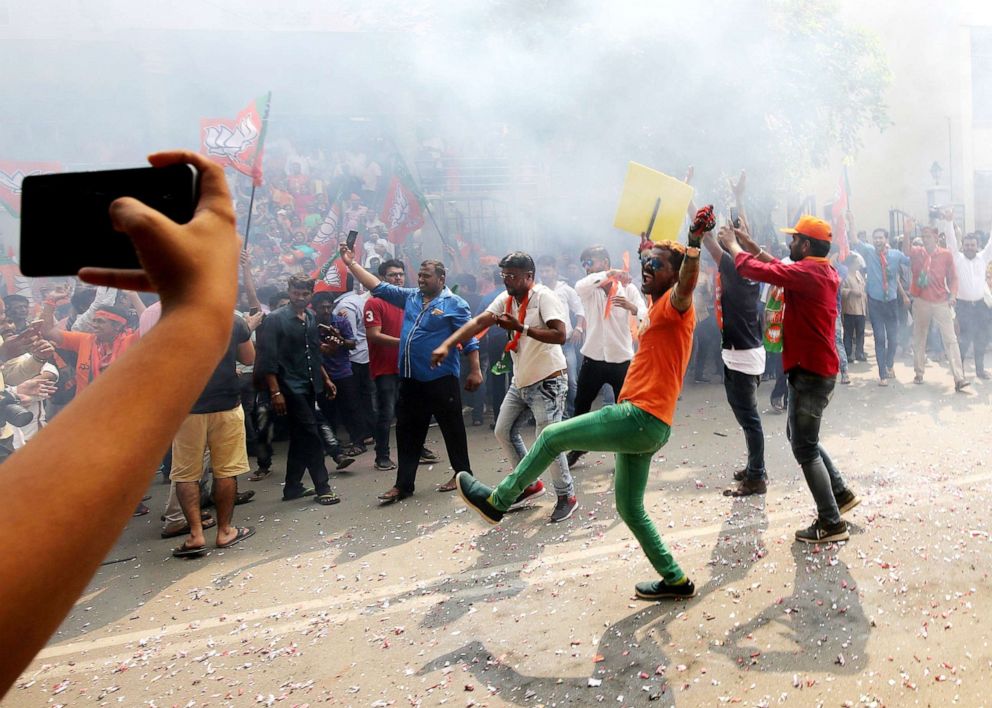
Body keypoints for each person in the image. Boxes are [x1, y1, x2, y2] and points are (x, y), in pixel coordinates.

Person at [0, 150, 241, 695]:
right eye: (101, 323)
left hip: (122, 431)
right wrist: (203, 310)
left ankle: (191, 522)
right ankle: (190, 524)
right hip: (101, 434)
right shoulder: (86, 340)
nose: (105, 328)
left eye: (112, 321)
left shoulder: (128, 340)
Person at [455, 206, 714, 601]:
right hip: (649, 424)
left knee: (552, 436)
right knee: (630, 509)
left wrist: (693, 242)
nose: (647, 268)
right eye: (645, 263)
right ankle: (675, 580)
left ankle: (498, 501)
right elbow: (648, 275)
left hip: (640, 417)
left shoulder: (678, 304)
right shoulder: (655, 306)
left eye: (656, 265)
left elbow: (686, 282)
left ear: (676, 275)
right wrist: (648, 250)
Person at [720, 215, 861, 543]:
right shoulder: (817, 270)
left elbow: (757, 271)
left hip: (811, 372)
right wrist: (750, 245)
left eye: (795, 240)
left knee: (804, 447)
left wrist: (731, 245)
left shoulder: (809, 273)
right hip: (814, 369)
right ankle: (839, 492)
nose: (790, 244)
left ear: (807, 245)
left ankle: (831, 522)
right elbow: (776, 266)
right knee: (799, 436)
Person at [433, 251, 579, 523]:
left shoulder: (544, 296)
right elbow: (479, 322)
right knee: (503, 431)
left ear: (529, 276)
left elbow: (561, 335)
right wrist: (447, 344)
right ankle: (529, 484)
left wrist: (521, 327)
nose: (507, 281)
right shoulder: (507, 298)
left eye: (512, 276)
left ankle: (566, 496)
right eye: (504, 276)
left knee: (549, 441)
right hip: (521, 380)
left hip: (548, 380)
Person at [339, 246, 482, 502]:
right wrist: (351, 264)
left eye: (426, 276)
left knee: (453, 429)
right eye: (420, 275)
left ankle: (463, 474)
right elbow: (379, 287)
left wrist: (475, 370)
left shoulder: (455, 304)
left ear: (441, 278)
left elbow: (469, 339)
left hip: (441, 378)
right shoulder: (411, 297)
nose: (420, 280)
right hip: (410, 379)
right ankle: (403, 485)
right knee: (407, 432)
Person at [170, 315, 256, 557]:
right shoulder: (233, 321)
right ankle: (225, 531)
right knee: (226, 470)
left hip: (187, 409)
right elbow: (249, 358)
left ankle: (196, 535)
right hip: (226, 406)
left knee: (186, 474)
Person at [254, 274, 341, 506]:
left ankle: (292, 487)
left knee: (302, 436)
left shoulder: (311, 317)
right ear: (289, 291)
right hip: (288, 386)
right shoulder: (274, 320)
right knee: (312, 435)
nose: (300, 298)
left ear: (311, 294)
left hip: (310, 383)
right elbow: (267, 360)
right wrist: (275, 392)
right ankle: (323, 487)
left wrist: (326, 378)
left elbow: (313, 352)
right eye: (295, 293)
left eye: (305, 294)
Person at [700, 223, 767, 497]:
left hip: (741, 356)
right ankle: (755, 467)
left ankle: (756, 476)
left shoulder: (735, 269)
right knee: (748, 419)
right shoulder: (751, 269)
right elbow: (748, 242)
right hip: (745, 352)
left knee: (749, 420)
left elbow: (707, 240)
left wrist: (690, 203)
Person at [567, 245, 646, 467]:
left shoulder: (628, 289)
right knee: (581, 406)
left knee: (626, 411)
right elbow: (579, 286)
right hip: (592, 358)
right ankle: (578, 447)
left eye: (590, 262)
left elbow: (645, 314)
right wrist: (609, 274)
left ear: (604, 260)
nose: (586, 268)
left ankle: (625, 453)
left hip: (621, 360)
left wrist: (632, 307)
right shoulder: (589, 290)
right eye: (584, 264)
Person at [901, 217, 967, 391]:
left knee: (951, 339)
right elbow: (906, 250)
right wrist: (907, 231)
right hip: (921, 301)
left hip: (941, 301)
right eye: (923, 236)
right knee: (919, 337)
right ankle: (919, 372)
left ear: (936, 238)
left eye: (928, 236)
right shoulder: (917, 252)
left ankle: (959, 378)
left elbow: (953, 278)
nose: (925, 239)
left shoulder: (946, 254)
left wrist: (953, 295)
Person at [851, 228, 911, 385]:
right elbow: (855, 240)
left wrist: (908, 233)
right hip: (875, 302)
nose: (877, 240)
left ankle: (889, 364)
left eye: (880, 238)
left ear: (886, 239)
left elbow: (910, 260)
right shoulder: (869, 252)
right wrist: (852, 223)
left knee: (893, 338)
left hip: (891, 303)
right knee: (879, 337)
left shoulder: (895, 255)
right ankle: (882, 374)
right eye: (875, 238)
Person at [364, 259, 406, 470]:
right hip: (385, 368)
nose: (398, 278)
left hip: (407, 366)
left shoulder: (408, 301)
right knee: (386, 414)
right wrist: (405, 343)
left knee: (410, 412)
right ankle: (382, 455)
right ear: (382, 279)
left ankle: (415, 449)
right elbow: (374, 335)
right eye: (392, 275)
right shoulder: (374, 302)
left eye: (400, 274)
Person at [940, 212, 992, 379]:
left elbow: (991, 244)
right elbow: (950, 241)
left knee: (981, 340)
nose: (970, 247)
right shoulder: (958, 258)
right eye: (967, 245)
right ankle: (959, 375)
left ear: (977, 246)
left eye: (973, 245)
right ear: (963, 245)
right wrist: (949, 222)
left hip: (980, 306)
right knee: (963, 341)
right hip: (963, 307)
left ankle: (979, 370)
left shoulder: (983, 259)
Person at [537, 254, 586, 418]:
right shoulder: (537, 291)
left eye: (547, 270)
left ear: (555, 271)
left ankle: (575, 414)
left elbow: (580, 309)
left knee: (571, 381)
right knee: (550, 382)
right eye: (542, 271)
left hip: (566, 343)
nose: (544, 274)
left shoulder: (565, 289)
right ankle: (559, 416)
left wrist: (579, 328)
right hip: (545, 345)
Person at [840, 252, 868, 363]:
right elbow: (841, 291)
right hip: (850, 310)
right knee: (848, 334)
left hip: (861, 309)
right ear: (851, 264)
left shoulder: (858, 274)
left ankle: (859, 353)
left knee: (861, 332)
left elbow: (864, 287)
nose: (858, 265)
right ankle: (847, 354)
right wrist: (851, 292)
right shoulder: (845, 276)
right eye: (856, 263)